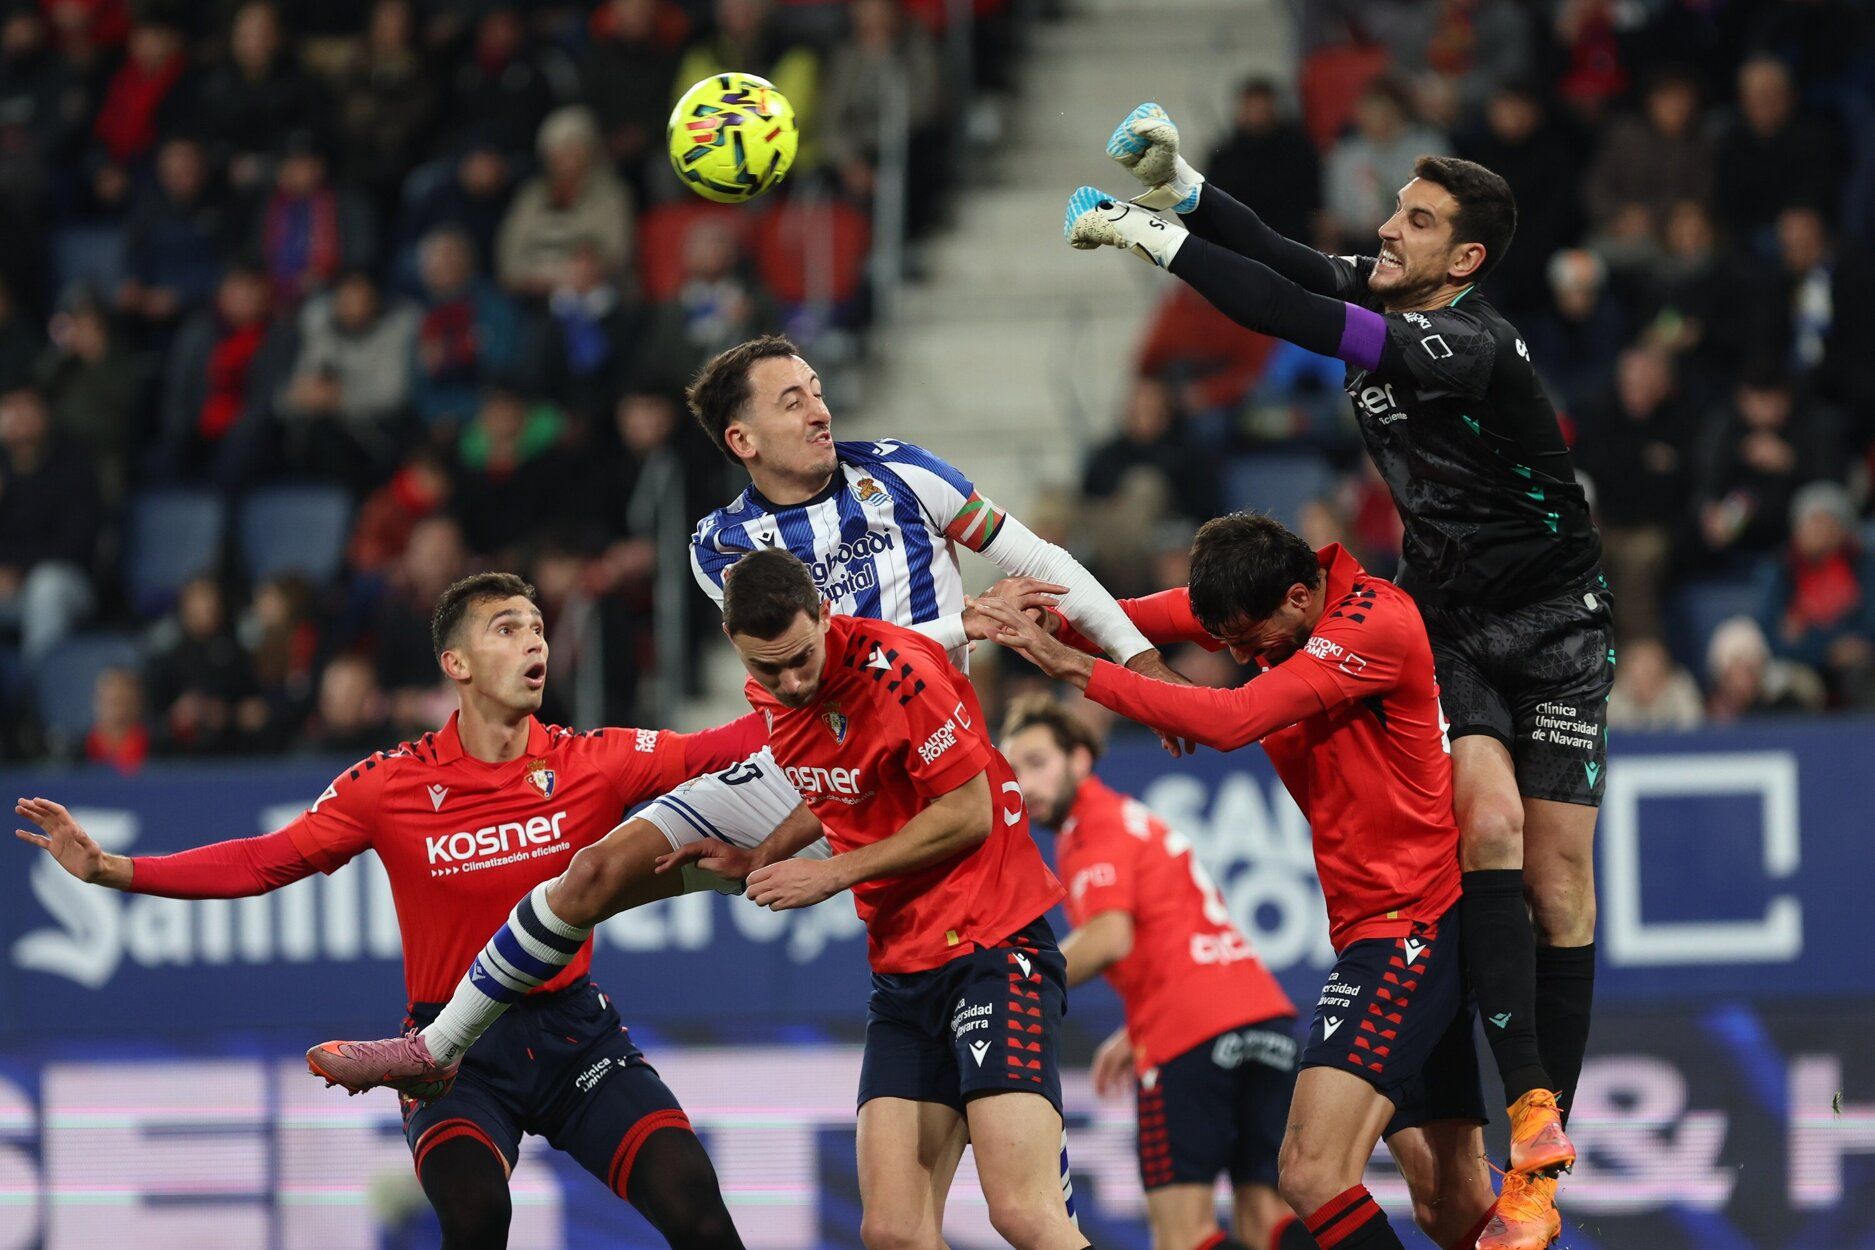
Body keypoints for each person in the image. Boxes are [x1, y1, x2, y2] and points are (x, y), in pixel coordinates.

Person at [317, 333, 1173, 1092]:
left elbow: (1042, 561)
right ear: (742, 440)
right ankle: (438, 1049)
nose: (818, 409)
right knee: (587, 877)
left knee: (981, 1063)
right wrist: (968, 620)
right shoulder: (720, 546)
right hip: (800, 763)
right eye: (791, 399)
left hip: (922, 761)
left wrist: (1138, 660)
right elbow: (823, 655)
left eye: (817, 390)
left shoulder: (906, 473)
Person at [1068, 105, 1610, 1242]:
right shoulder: (1396, 288)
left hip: (1557, 621)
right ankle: (1510, 1131)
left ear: (1463, 259)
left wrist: (1144, 238)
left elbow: (1294, 310)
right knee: (1488, 815)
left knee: (1556, 880)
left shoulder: (1465, 340)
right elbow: (1287, 260)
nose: (1385, 231)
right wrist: (1189, 192)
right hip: (1453, 616)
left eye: (1414, 222)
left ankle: (1540, 1157)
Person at [17, 572, 768, 1250]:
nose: (534, 638)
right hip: (453, 1056)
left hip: (577, 1038)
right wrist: (114, 868)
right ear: (457, 664)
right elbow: (265, 860)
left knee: (699, 1214)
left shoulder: (592, 759)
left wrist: (828, 678)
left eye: (537, 626)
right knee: (476, 1219)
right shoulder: (390, 783)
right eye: (507, 627)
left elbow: (728, 744)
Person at [978, 513, 1520, 1250]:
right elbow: (1110, 620)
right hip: (1379, 925)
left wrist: (1074, 669)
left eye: (1244, 640)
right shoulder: (1262, 606)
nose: (1233, 653)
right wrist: (1021, 609)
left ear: (1300, 596)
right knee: (1449, 1203)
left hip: (1408, 926)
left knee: (1308, 1173)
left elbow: (1231, 721)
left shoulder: (1372, 624)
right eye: (1222, 638)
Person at [687, 547, 1084, 1250]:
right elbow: (842, 779)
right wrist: (762, 855)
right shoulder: (773, 693)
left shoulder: (901, 674)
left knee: (1022, 1213)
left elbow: (967, 814)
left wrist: (833, 874)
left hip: (993, 946)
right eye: (765, 667)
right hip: (903, 970)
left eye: (799, 657)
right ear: (732, 644)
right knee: (892, 1231)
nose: (788, 680)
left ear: (824, 614)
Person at [1000, 693, 1303, 1250]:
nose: (1025, 784)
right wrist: (1137, 1024)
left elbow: (1111, 936)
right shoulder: (1133, 817)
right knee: (1267, 1219)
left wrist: (1017, 982)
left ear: (1081, 759)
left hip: (1189, 1034)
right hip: (1265, 1020)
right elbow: (1176, 938)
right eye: (1012, 770)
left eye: (1036, 763)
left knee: (1182, 1236)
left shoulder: (1091, 827)